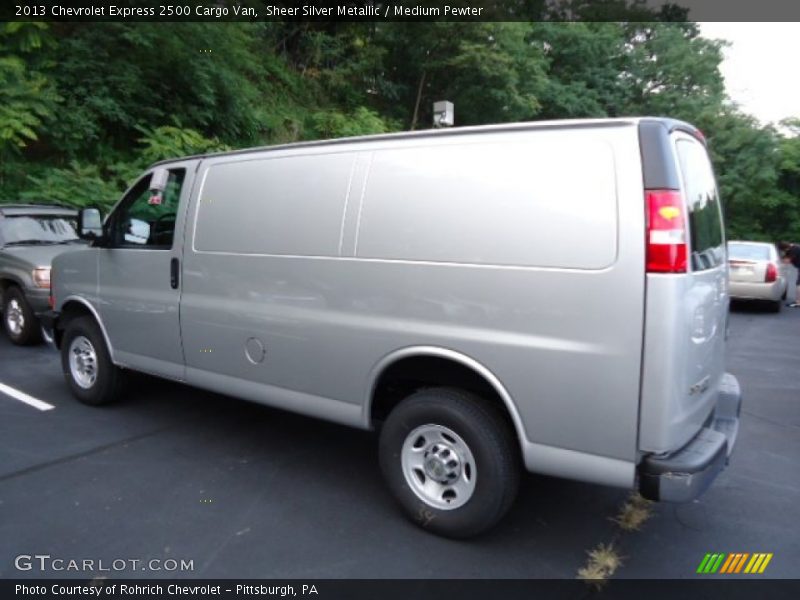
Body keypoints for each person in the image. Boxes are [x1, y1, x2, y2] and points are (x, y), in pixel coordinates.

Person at [778, 241, 800, 307]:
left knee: (799, 284)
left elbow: (787, 261)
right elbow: (784, 259)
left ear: (785, 248)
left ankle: (798, 302)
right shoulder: (791, 249)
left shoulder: (794, 249)